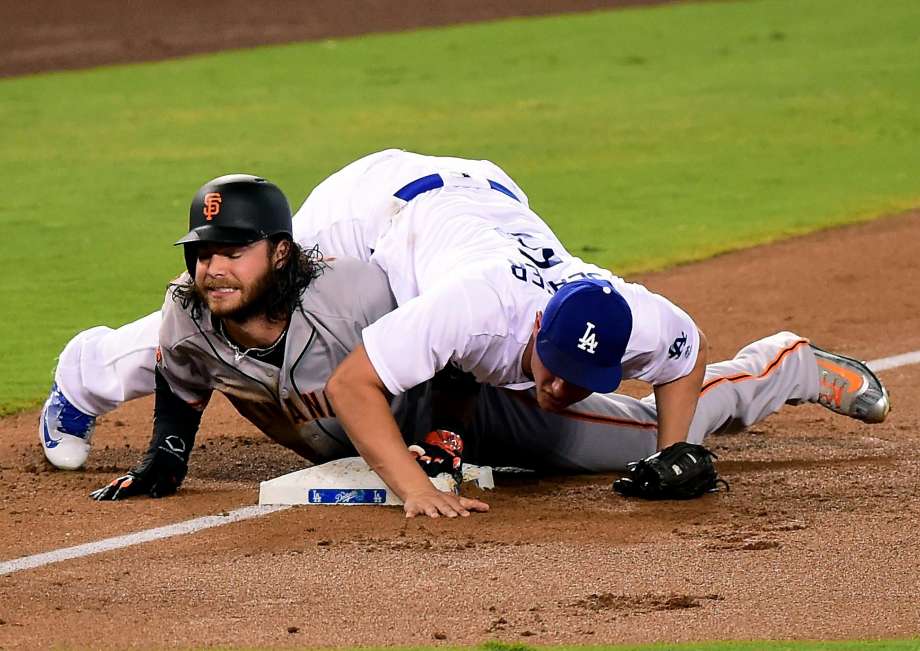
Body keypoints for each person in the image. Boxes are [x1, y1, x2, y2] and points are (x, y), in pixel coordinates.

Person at [41, 152, 889, 518]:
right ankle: (85, 377)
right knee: (239, 299)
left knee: (633, 429)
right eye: (551, 374)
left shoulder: (623, 308)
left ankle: (788, 362)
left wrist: (674, 447)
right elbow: (356, 382)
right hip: (370, 209)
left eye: (573, 378)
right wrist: (421, 475)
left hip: (485, 195)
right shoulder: (457, 305)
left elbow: (681, 352)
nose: (560, 386)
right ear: (528, 338)